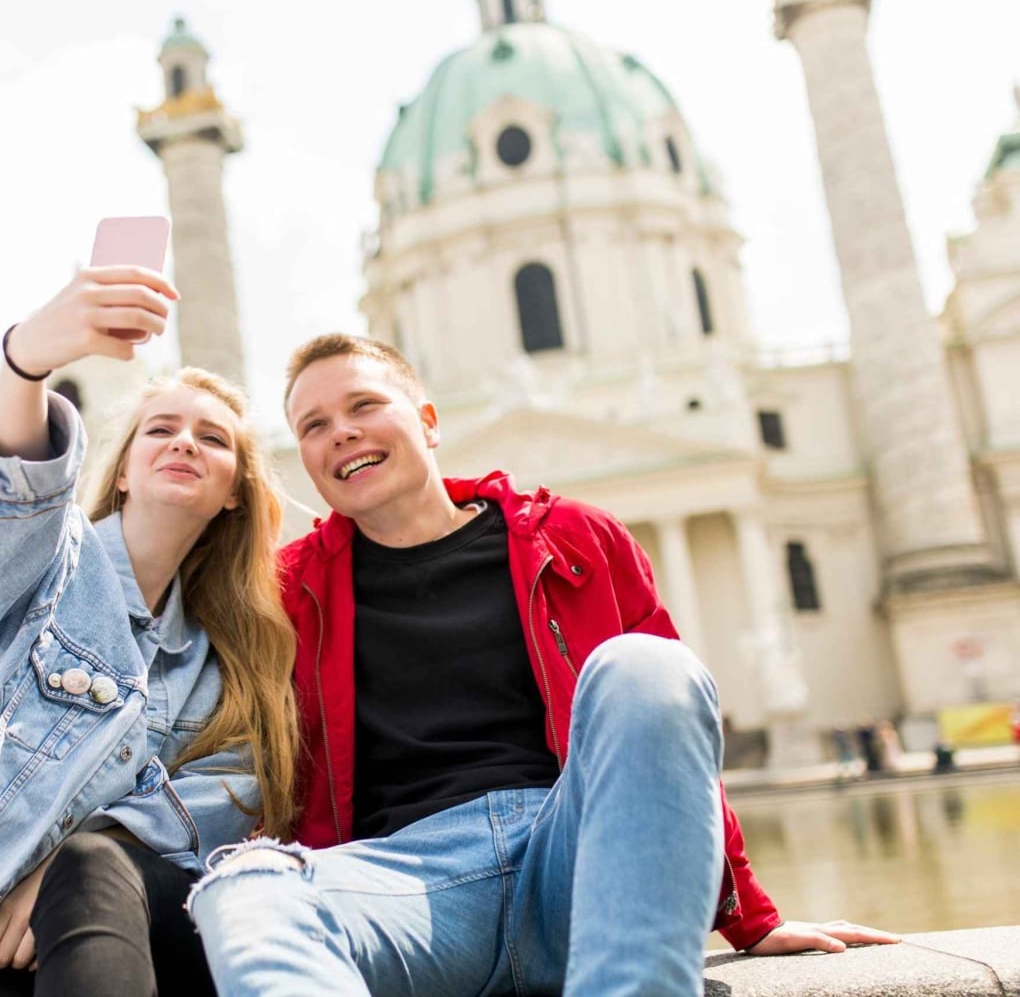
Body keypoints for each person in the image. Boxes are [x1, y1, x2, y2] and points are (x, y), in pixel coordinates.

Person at [185, 335, 900, 996]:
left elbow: (666, 727)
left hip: (581, 860)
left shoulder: (577, 538)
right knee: (241, 887)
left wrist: (749, 914)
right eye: (312, 424)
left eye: (364, 404)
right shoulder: (285, 591)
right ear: (305, 458)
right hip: (410, 885)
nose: (340, 429)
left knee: (647, 666)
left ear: (428, 421)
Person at [0, 266, 298, 997]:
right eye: (160, 429)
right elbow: (0, 504)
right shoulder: (42, 573)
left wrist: (65, 862)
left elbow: (221, 804)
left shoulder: (234, 657)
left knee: (96, 866)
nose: (184, 443)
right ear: (125, 469)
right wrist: (26, 362)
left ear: (234, 493)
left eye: (213, 438)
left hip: (132, 922)